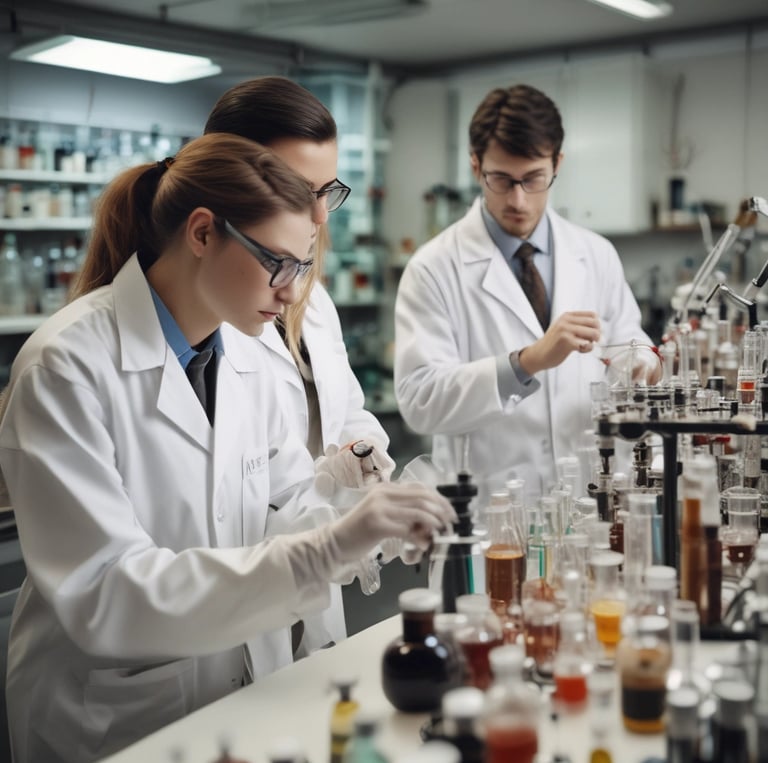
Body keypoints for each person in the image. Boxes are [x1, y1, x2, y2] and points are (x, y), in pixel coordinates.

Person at [0, 134, 455, 763]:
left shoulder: (244, 351)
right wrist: (326, 548)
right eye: (278, 263)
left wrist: (361, 523)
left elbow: (286, 501)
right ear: (203, 232)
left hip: (244, 691)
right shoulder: (67, 366)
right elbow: (107, 593)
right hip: (112, 721)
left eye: (302, 266)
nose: (293, 292)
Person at [394, 83, 657, 503]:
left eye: (533, 178)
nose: (518, 199)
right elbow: (419, 401)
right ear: (475, 165)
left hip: (588, 501)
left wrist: (640, 363)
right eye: (501, 179)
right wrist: (527, 362)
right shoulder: (434, 268)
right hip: (489, 513)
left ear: (557, 163)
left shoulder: (595, 254)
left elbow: (629, 339)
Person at [205, 76, 395, 654]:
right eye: (296, 188)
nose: (317, 215)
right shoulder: (209, 318)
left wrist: (360, 456)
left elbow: (345, 412)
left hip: (307, 596)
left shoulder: (316, 303)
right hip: (230, 608)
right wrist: (321, 498)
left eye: (326, 190)